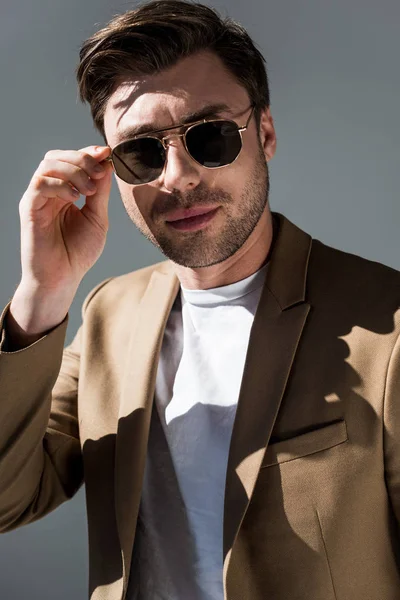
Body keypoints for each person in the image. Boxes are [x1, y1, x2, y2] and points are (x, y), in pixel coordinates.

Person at [0, 1, 399, 599]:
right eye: (142, 152)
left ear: (264, 132)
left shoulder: (388, 327)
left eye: (210, 137)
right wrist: (42, 292)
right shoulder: (109, 314)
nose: (177, 176)